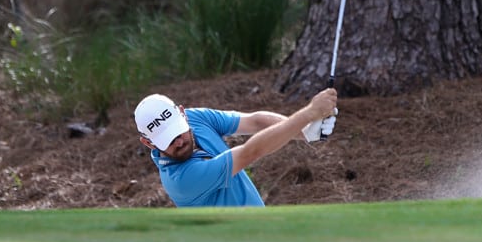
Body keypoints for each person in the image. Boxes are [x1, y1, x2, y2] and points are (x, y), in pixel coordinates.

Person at [133, 88, 338, 207]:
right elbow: (250, 152)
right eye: (168, 140)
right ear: (148, 143)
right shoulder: (180, 180)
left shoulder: (195, 118)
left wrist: (307, 132)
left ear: (182, 114)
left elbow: (256, 121)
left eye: (178, 132)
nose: (179, 142)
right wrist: (308, 114)